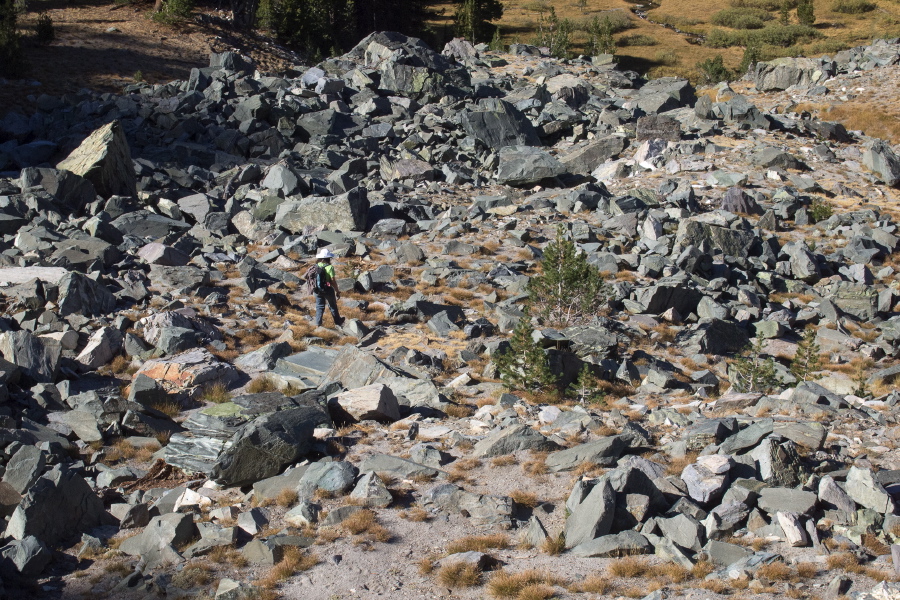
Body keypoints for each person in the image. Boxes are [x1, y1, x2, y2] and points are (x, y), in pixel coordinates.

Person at [313, 248, 344, 327]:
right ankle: (338, 322)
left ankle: (318, 323)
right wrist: (337, 291)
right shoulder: (330, 267)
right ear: (328, 258)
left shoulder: (315, 266)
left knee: (319, 306)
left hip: (317, 289)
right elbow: (333, 281)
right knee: (332, 305)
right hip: (327, 289)